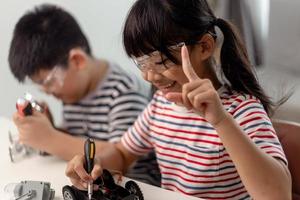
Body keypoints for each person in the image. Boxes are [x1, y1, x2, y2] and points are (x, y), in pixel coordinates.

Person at [65, 0, 292, 199]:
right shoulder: (161, 107)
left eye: (161, 61)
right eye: (142, 63)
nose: (149, 76)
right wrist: (96, 166)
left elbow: (277, 195)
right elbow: (123, 153)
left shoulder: (243, 110)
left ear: (204, 47)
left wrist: (221, 121)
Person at [8, 4, 161, 186]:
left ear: (77, 61)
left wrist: (50, 139)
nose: (48, 91)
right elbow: (78, 141)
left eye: (48, 82)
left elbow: (122, 161)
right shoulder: (73, 91)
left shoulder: (123, 93)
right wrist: (52, 130)